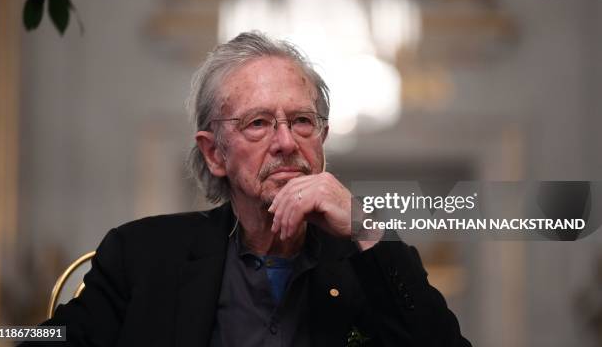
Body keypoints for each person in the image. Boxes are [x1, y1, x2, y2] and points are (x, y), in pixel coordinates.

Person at [25, 32, 471, 346]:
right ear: (214, 153)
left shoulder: (368, 260)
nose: (285, 142)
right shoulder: (143, 253)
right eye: (258, 123)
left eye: (301, 121)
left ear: (322, 138)